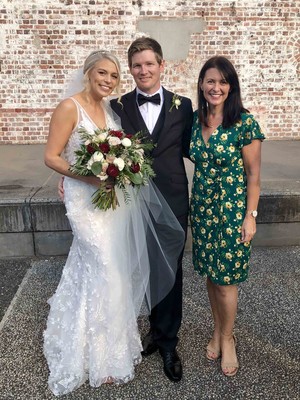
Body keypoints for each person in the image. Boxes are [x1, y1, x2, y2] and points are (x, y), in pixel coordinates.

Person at [43, 50, 185, 396]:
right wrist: (81, 176)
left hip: (116, 202)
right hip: (86, 201)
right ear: (88, 72)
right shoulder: (71, 107)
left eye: (113, 75)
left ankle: (121, 346)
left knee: (117, 270)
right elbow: (51, 155)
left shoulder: (111, 109)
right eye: (102, 73)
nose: (108, 80)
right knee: (103, 265)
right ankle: (95, 354)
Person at [110, 37, 193, 382]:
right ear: (130, 70)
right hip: (133, 202)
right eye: (136, 65)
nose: (143, 70)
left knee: (170, 271)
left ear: (162, 65)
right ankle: (153, 332)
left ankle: (168, 342)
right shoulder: (117, 106)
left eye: (149, 64)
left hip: (173, 200)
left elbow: (199, 145)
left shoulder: (184, 105)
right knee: (142, 268)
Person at [189, 56, 265, 377]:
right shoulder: (195, 120)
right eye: (210, 81)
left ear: (230, 86)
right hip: (203, 211)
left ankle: (229, 337)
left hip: (233, 212)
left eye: (222, 82)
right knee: (210, 274)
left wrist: (251, 215)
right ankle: (218, 331)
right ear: (202, 85)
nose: (215, 87)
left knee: (226, 281)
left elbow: (254, 176)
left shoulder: (244, 123)